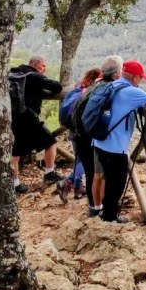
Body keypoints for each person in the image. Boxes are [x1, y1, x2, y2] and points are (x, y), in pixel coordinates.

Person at [91, 59, 146, 223]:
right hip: (115, 148)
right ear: (135, 77)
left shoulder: (112, 85)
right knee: (116, 185)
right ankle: (109, 218)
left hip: (100, 141)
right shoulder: (131, 91)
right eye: (140, 78)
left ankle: (106, 214)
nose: (140, 81)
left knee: (109, 179)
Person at [10, 55, 64, 194]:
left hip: (13, 116)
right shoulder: (34, 76)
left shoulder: (14, 73)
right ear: (35, 64)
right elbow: (57, 86)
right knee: (50, 141)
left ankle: (14, 184)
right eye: (43, 66)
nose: (44, 69)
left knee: (15, 152)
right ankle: (49, 173)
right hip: (28, 117)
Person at [83, 56, 122, 218]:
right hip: (103, 138)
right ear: (116, 75)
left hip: (88, 134)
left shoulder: (95, 86)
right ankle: (106, 213)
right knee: (105, 175)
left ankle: (95, 208)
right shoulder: (113, 89)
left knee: (95, 174)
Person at [63, 66, 102, 201]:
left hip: (73, 129)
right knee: (83, 161)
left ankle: (76, 187)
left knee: (80, 158)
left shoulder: (79, 86)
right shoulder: (92, 90)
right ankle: (69, 183)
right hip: (83, 132)